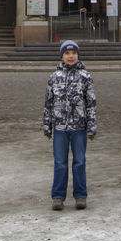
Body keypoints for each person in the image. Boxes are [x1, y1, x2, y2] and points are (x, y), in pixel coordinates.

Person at [43, 39, 97, 210]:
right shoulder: (54, 77)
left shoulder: (86, 76)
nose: (71, 56)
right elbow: (48, 103)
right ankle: (58, 197)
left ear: (78, 55)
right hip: (59, 127)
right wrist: (47, 125)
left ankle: (81, 195)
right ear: (62, 56)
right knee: (60, 162)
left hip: (79, 126)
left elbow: (91, 103)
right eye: (67, 53)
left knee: (79, 161)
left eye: (73, 53)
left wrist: (91, 125)